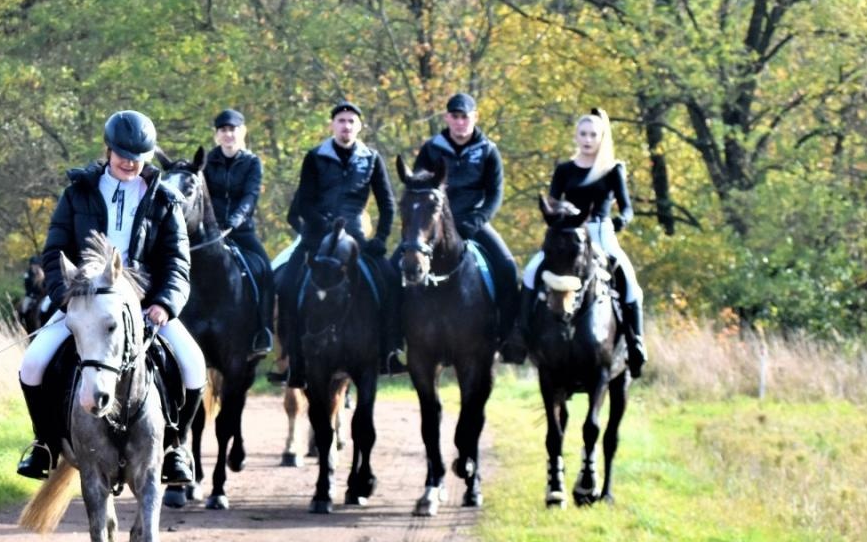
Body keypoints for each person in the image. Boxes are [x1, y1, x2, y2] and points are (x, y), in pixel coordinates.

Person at [16, 110, 206, 486]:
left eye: (138, 155)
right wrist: (66, 298)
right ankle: (45, 445)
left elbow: (177, 263)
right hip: (85, 304)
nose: (130, 162)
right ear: (108, 149)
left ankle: (175, 449)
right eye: (122, 153)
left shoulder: (165, 201)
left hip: (144, 309)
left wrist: (165, 303)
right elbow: (54, 253)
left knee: (193, 364)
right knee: (33, 364)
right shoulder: (77, 193)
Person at [275, 100, 396, 387]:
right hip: (317, 238)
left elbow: (388, 203)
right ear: (332, 125)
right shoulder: (315, 157)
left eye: (351, 121)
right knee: (287, 285)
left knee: (391, 280)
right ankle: (293, 360)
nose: (346, 126)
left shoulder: (372, 158)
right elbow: (303, 203)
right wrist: (323, 227)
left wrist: (380, 238)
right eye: (341, 121)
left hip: (357, 237)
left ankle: (390, 351)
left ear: (359, 126)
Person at [521, 108, 646, 376]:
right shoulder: (565, 169)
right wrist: (560, 215)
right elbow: (552, 203)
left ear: (601, 138)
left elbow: (627, 208)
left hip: (601, 233)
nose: (588, 140)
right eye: (583, 134)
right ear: (576, 137)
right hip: (568, 236)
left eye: (593, 135)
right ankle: (521, 336)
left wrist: (619, 221)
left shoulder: (613, 170)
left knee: (632, 286)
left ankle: (635, 344)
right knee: (531, 272)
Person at [411, 92, 522, 361]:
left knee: (508, 268)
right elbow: (416, 188)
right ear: (447, 118)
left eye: (466, 117)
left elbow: (495, 194)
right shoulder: (431, 149)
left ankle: (508, 338)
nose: (460, 123)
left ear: (475, 118)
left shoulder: (488, 151)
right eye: (456, 117)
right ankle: (396, 340)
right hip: (435, 225)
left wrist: (477, 220)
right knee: (395, 267)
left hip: (473, 222)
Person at [202, 107, 275, 355]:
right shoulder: (207, 162)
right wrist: (213, 224)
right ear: (216, 135)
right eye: (223, 130)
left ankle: (263, 331)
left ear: (242, 132)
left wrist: (234, 221)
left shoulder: (253, 162)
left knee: (266, 270)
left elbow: (250, 196)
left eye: (232, 129)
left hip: (241, 231)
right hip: (210, 233)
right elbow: (203, 197)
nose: (228, 134)